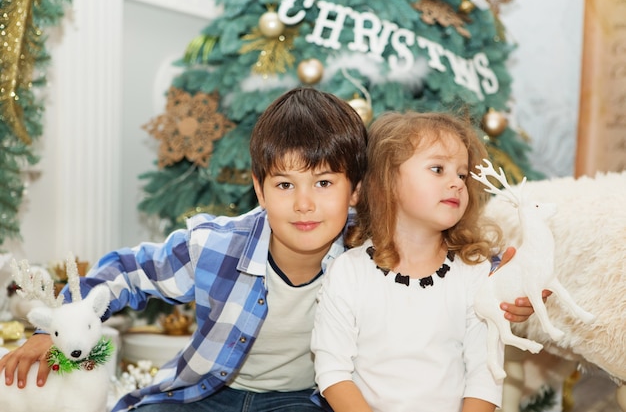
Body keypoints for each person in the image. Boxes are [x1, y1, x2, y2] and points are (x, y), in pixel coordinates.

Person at [0, 89, 539, 412]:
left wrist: (500, 287)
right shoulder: (214, 245)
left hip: (299, 402)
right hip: (204, 393)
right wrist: (55, 327)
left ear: (355, 192)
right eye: (284, 185)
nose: (305, 205)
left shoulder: (367, 247)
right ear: (259, 190)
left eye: (324, 183)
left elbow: (440, 251)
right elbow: (126, 273)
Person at [311, 111, 511, 412]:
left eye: (461, 174)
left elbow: (486, 374)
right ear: (386, 182)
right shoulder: (349, 272)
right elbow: (333, 373)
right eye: (438, 169)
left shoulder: (475, 274)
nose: (457, 183)